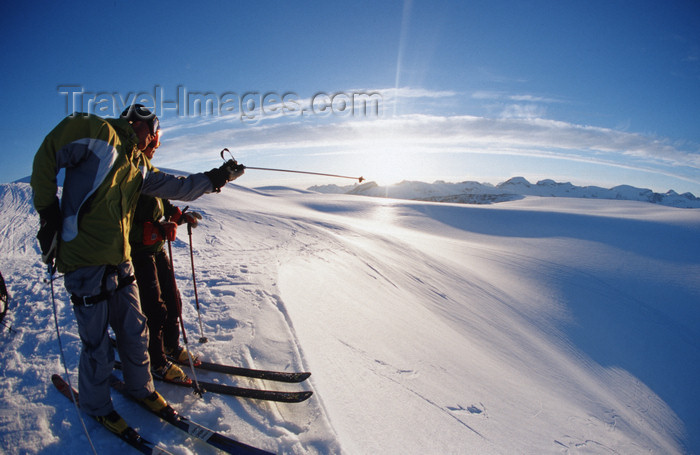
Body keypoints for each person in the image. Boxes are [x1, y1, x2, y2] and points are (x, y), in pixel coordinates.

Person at [31, 105, 243, 434]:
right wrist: (47, 212)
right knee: (97, 345)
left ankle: (141, 388)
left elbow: (179, 187)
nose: (156, 141)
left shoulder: (138, 166)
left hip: (121, 259)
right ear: (140, 124)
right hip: (85, 262)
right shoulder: (99, 132)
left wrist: (219, 177)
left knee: (135, 332)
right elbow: (49, 152)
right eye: (155, 133)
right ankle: (96, 405)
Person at [130, 191, 201, 384]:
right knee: (154, 309)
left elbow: (164, 205)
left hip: (157, 250)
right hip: (139, 255)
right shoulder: (129, 179)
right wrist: (154, 230)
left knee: (173, 299)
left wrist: (180, 217)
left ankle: (171, 345)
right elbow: (120, 225)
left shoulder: (149, 176)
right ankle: (157, 361)